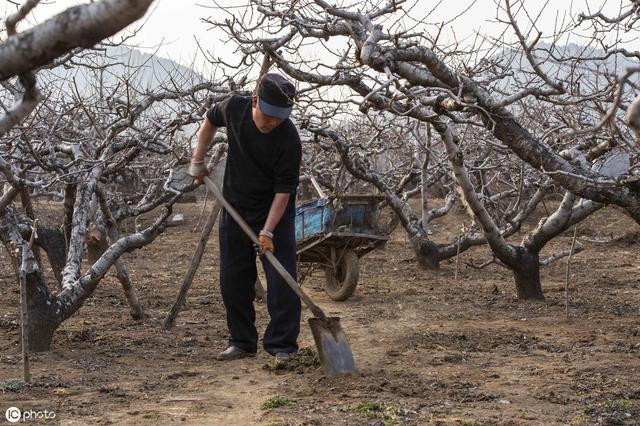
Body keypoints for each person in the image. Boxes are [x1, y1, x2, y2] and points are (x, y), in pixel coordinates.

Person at [188, 73, 302, 362]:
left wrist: (268, 231)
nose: (273, 123)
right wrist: (198, 159)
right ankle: (241, 341)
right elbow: (209, 121)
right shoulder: (234, 108)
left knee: (282, 279)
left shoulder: (289, 139)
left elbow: (283, 191)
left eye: (280, 118)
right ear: (254, 102)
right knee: (233, 280)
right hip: (235, 206)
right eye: (269, 116)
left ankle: (282, 345)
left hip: (274, 213)